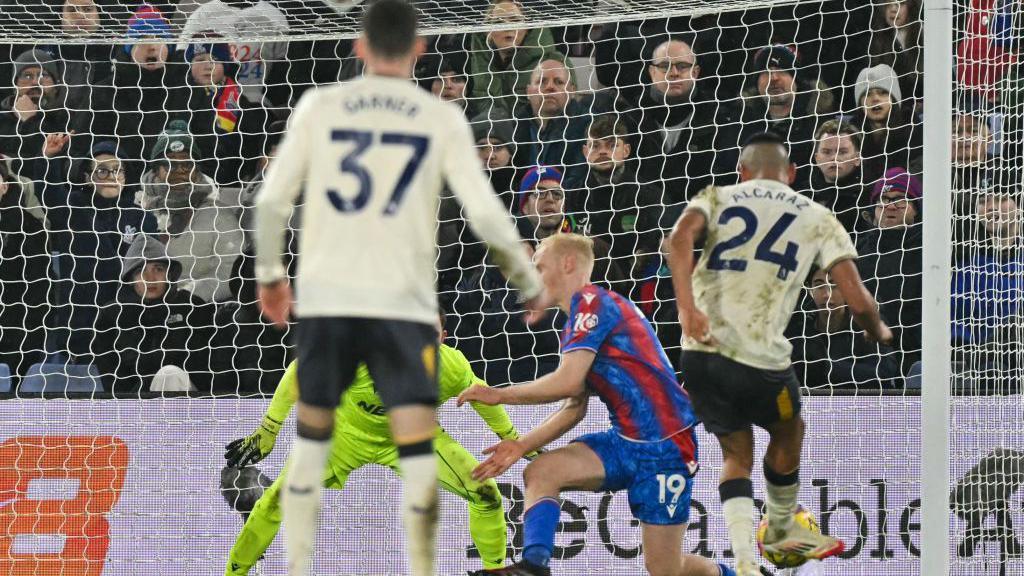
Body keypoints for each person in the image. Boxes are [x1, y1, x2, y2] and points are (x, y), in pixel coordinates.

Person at [252, 2, 543, 574]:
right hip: (402, 305)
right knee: (417, 455)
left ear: (358, 47)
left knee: (309, 454)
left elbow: (270, 201)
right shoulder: (440, 119)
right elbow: (484, 213)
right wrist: (528, 280)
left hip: (330, 298)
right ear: (420, 49)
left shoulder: (320, 106)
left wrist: (270, 277)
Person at [667, 132, 892, 576]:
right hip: (760, 359)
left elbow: (677, 240)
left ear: (742, 172)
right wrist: (877, 328)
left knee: (736, 455)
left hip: (700, 352)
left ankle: (747, 564)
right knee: (789, 432)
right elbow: (858, 299)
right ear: (791, 173)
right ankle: (782, 527)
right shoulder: (816, 215)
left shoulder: (716, 196)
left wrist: (687, 309)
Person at [457, 233, 734, 576]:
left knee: (666, 569)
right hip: (624, 443)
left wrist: (499, 394)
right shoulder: (578, 318)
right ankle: (534, 567)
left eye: (538, 266)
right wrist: (521, 445)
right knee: (542, 471)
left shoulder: (593, 303)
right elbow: (576, 404)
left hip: (666, 449)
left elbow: (567, 382)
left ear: (568, 263)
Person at [222, 316, 523, 575]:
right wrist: (269, 429)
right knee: (276, 501)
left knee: (485, 494)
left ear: (442, 338)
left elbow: (481, 395)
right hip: (343, 436)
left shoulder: (452, 367)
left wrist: (511, 436)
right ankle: (234, 571)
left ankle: (494, 569)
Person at [91, 234, 215, 394]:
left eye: (158, 269)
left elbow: (205, 374)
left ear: (169, 274)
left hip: (193, 403)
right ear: (130, 278)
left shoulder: (193, 307)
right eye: (141, 271)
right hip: (134, 406)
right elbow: (114, 385)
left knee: (169, 375)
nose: (150, 278)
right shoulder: (111, 316)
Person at [856, 168, 923, 374]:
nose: (891, 206)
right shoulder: (858, 250)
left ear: (917, 209)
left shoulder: (930, 249)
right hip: (870, 350)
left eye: (901, 200)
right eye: (883, 199)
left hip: (918, 350)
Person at [788, 268, 901, 389]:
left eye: (835, 285)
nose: (827, 294)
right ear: (810, 290)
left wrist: (826, 368)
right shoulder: (800, 330)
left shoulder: (865, 325)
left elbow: (884, 374)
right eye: (819, 285)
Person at [806, 119, 869, 236]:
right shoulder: (803, 195)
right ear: (817, 158)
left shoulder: (869, 197)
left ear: (857, 159)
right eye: (826, 152)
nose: (834, 158)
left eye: (842, 152)